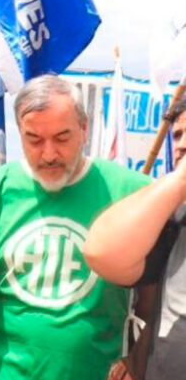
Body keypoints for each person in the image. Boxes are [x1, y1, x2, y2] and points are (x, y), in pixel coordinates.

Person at [0, 74, 152, 380]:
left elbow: (158, 291)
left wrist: (139, 356)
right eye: (34, 140)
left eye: (62, 138)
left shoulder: (134, 193)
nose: (49, 154)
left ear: (85, 129)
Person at [85, 97, 186, 380]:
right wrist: (179, 182)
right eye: (177, 135)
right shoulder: (173, 215)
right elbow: (101, 252)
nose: (181, 145)